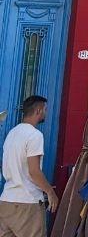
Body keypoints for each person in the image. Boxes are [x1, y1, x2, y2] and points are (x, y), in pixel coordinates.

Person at [0, 96, 58, 237]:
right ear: (38, 110)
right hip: (28, 204)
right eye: (45, 109)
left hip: (6, 201)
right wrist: (50, 192)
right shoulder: (35, 135)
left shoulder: (12, 134)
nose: (45, 113)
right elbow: (34, 171)